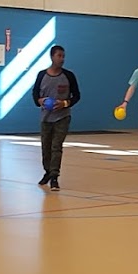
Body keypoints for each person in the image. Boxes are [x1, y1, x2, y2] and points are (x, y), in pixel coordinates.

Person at [30, 44, 80, 192]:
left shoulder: (69, 76)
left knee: (56, 146)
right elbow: (35, 95)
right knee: (46, 148)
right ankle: (47, 172)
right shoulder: (41, 75)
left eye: (63, 56)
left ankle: (54, 177)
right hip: (46, 118)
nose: (62, 59)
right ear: (52, 57)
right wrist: (39, 101)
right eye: (59, 56)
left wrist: (64, 103)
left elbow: (77, 96)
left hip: (62, 117)